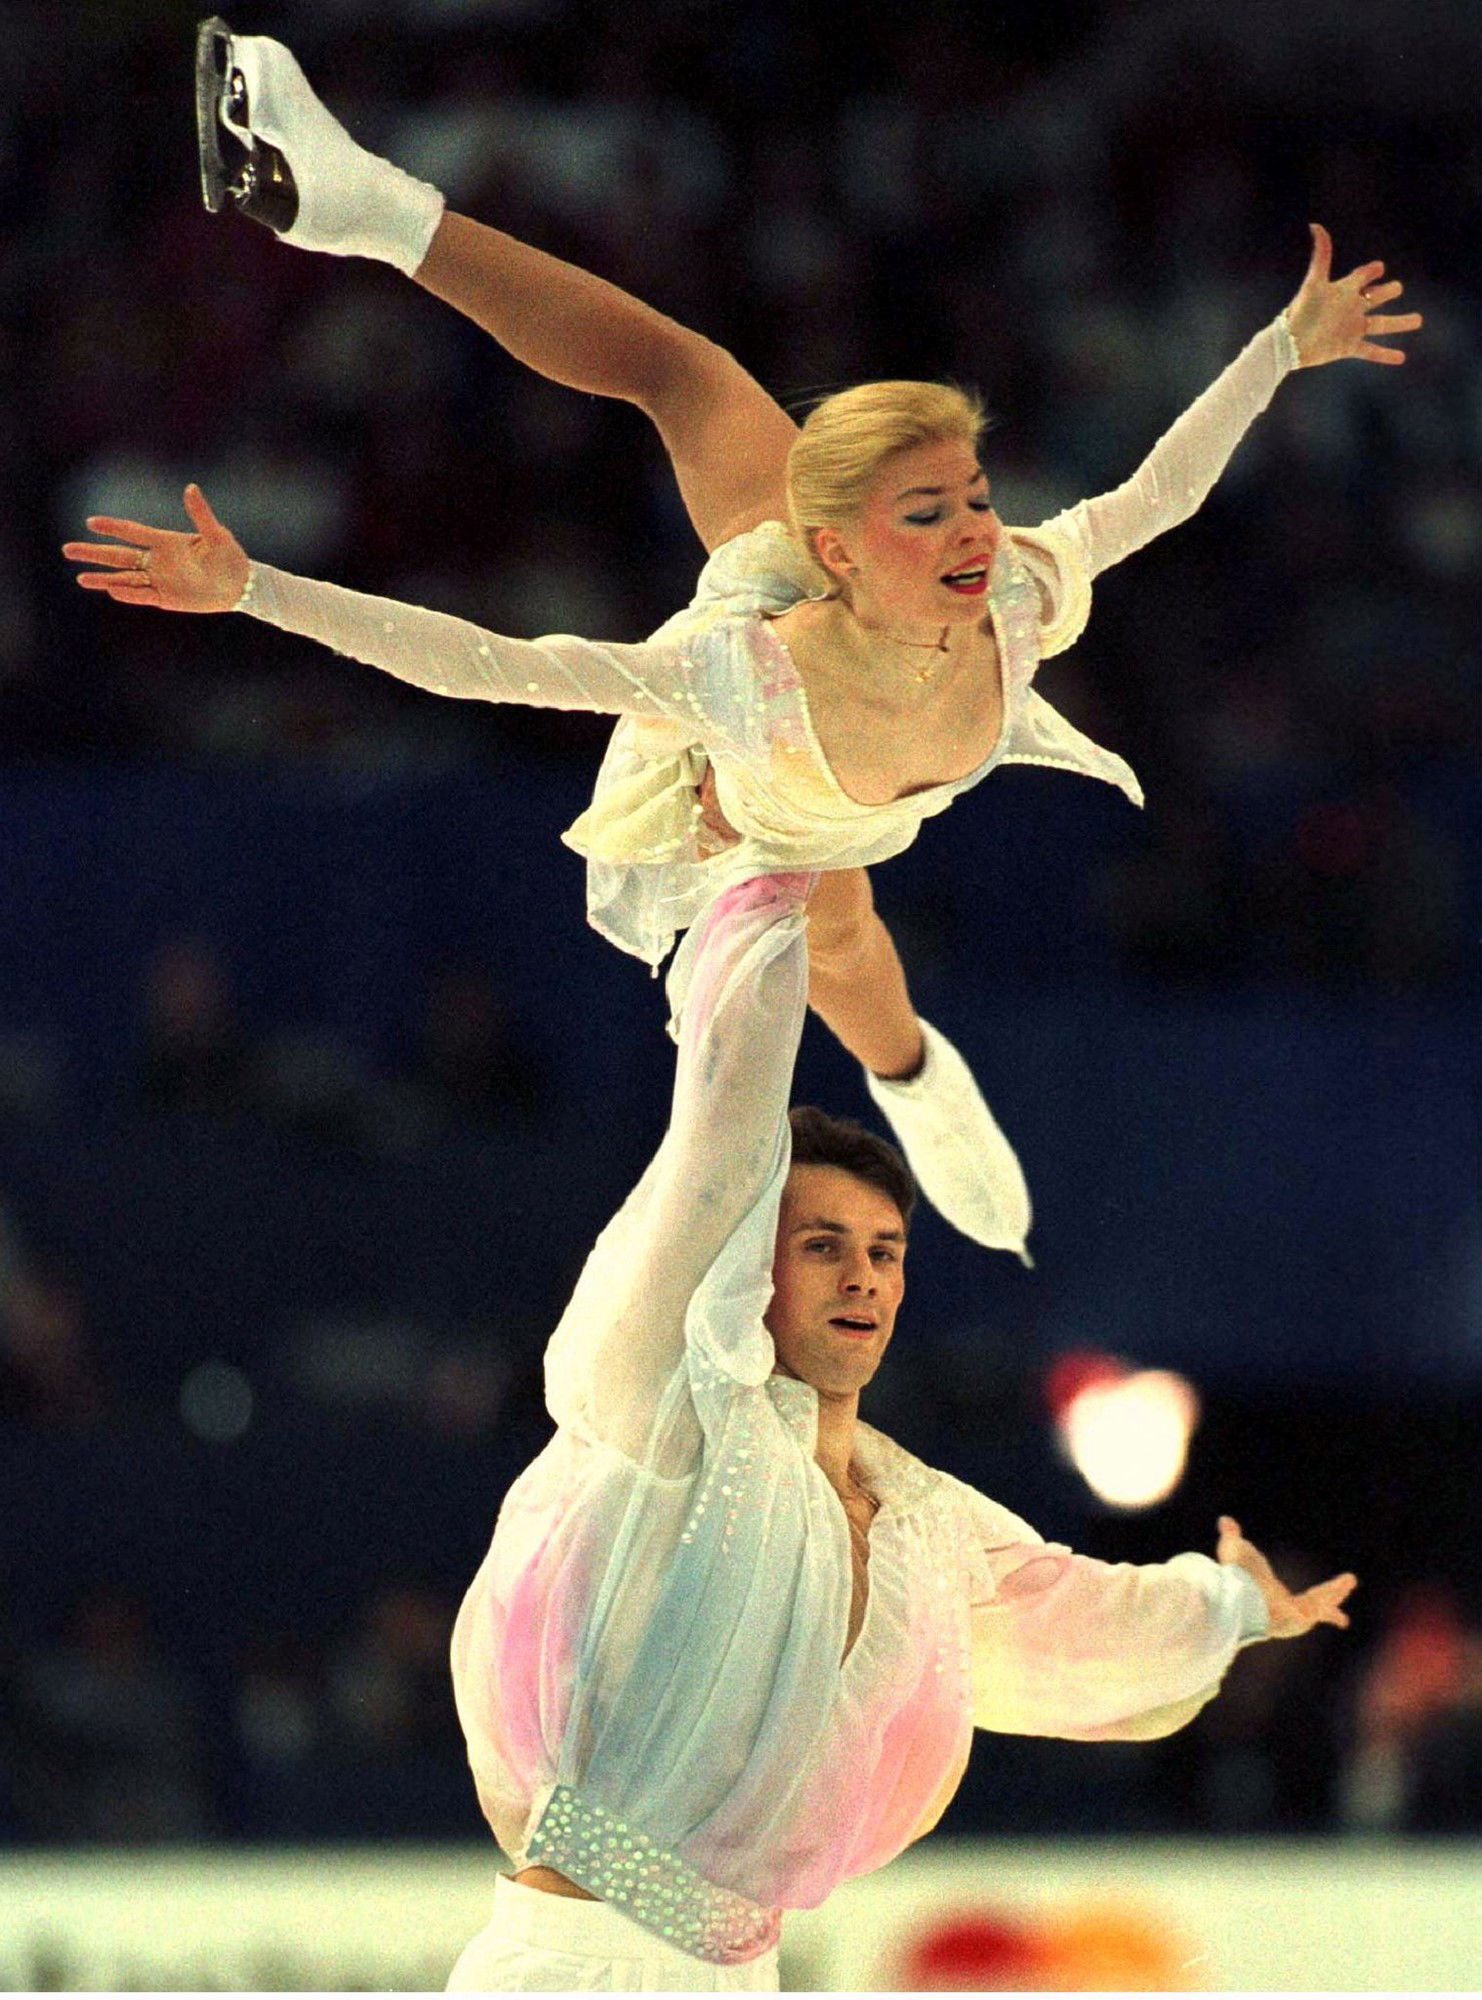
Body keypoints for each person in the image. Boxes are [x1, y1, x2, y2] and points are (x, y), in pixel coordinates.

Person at [64, 26, 1420, 1262]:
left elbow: (1155, 496)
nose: (975, 532)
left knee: (855, 946)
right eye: (928, 512)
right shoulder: (745, 666)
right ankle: (357, 200)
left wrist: (1277, 351)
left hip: (867, 751)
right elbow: (480, 659)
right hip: (763, 789)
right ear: (836, 550)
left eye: (977, 498)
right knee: (825, 909)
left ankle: (912, 1076)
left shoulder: (1015, 591)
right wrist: (256, 592)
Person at [436, 870, 1349, 1990]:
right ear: (746, 1263)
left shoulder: (920, 1513)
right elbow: (719, 1128)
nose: (862, 1276)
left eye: (885, 1251)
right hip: (575, 1965)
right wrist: (770, 876)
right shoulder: (668, 1403)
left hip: (741, 1971)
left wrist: (1238, 1605)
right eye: (822, 1244)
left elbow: (1074, 1615)